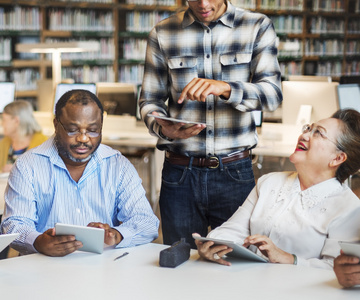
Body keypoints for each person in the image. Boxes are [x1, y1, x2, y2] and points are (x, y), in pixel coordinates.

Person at [139, 0, 282, 248]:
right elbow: (149, 100)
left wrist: (226, 89)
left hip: (234, 173)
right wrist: (163, 127)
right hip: (179, 174)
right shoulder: (163, 33)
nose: (203, 4)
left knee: (235, 264)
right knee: (179, 262)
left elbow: (272, 95)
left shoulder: (256, 26)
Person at [194, 109, 360, 269]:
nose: (304, 135)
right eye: (308, 128)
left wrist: (289, 259)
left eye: (318, 133)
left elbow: (337, 269)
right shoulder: (269, 182)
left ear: (337, 158)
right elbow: (233, 230)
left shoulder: (349, 208)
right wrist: (212, 245)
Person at [0, 89, 159, 256]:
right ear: (56, 125)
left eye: (93, 130)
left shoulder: (118, 165)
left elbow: (147, 223)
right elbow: (14, 225)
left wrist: (116, 235)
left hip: (103, 270)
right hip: (42, 269)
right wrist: (38, 241)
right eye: (73, 129)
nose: (83, 138)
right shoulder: (27, 165)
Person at [0, 100, 47, 173]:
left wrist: (18, 170)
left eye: (4, 120)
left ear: (16, 121)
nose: (2, 123)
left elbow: (45, 174)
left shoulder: (43, 144)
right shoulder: (4, 143)